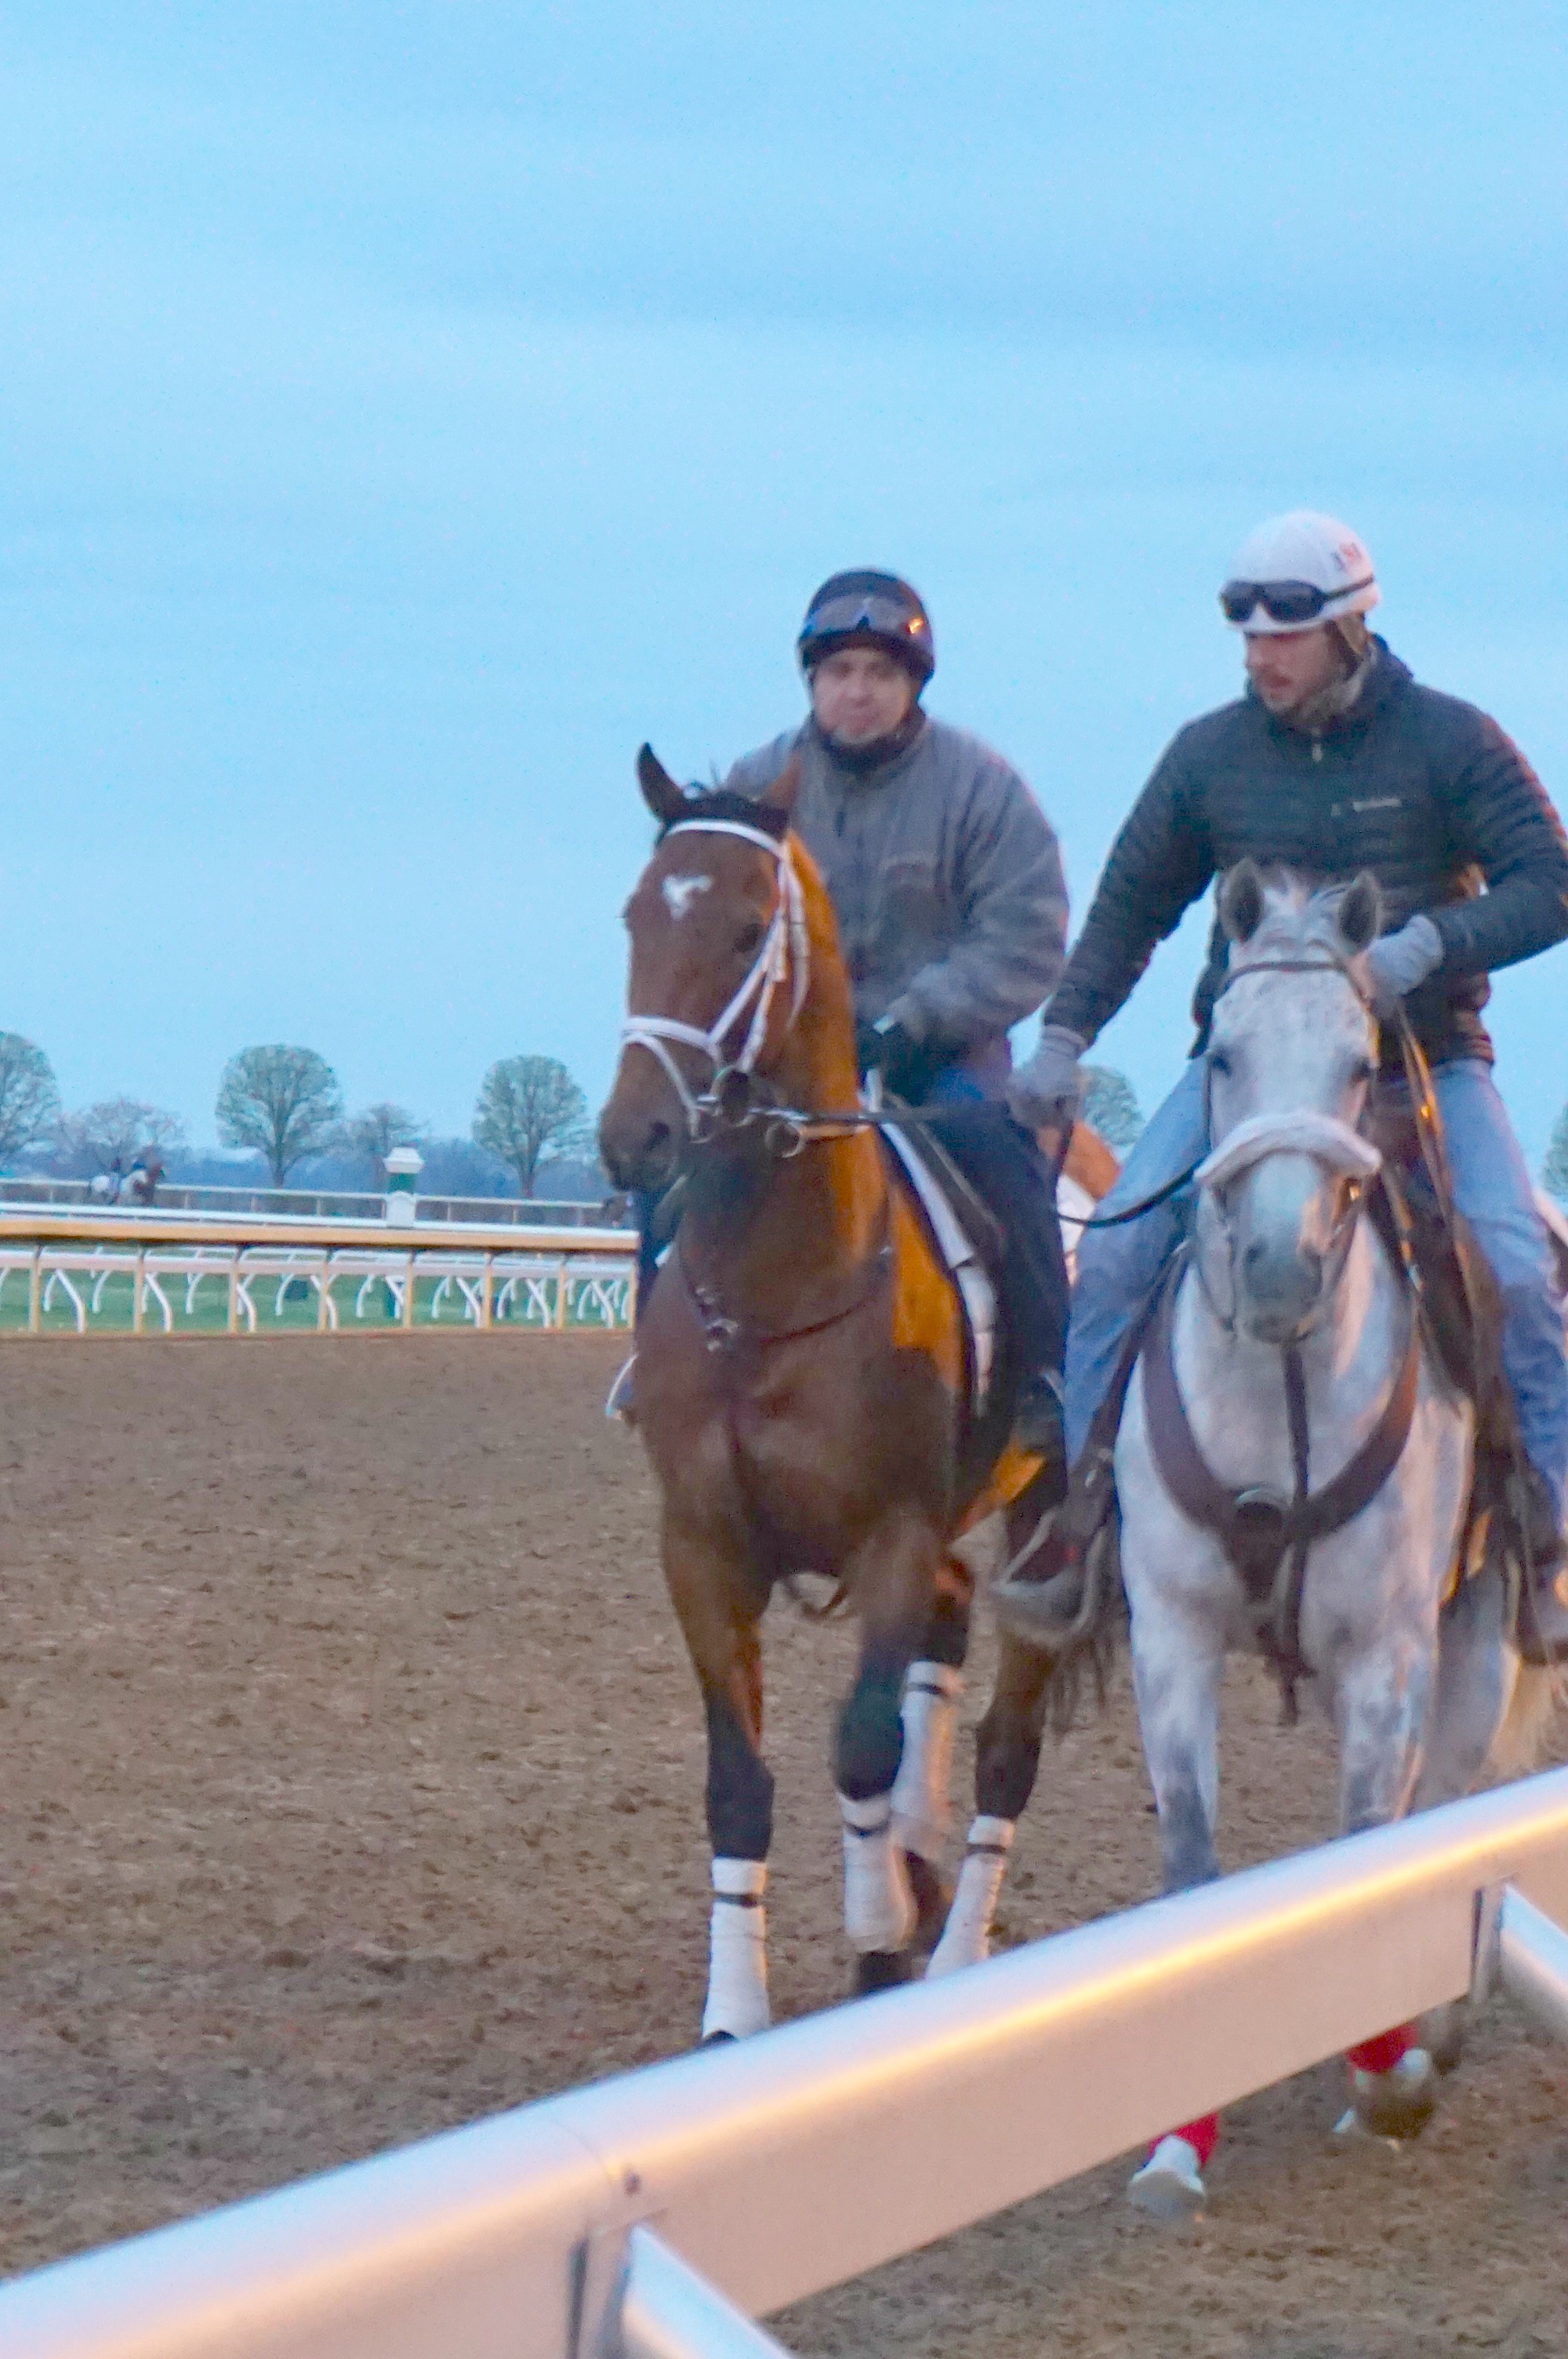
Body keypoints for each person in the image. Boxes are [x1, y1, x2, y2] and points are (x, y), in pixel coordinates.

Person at [1006, 510, 1568, 1659]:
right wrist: (1065, 1034)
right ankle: (1082, 1523)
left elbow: (1551, 880)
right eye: (1250, 636)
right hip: (1250, 1074)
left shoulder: (1452, 742)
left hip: (1424, 1064)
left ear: (1352, 629)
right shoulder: (1208, 755)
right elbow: (1128, 911)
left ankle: (1551, 1531)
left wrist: (1430, 946)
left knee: (1513, 1259)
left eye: (1289, 635)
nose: (1263, 656)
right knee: (1113, 1248)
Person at [613, 569, 1072, 1455]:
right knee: (670, 1159)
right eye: (838, 673)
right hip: (780, 1066)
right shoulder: (756, 787)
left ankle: (1045, 1381)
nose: (856, 690)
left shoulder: (981, 788)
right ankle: (655, 1357)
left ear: (911, 684)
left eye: (878, 672)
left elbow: (1026, 934)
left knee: (999, 1155)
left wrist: (914, 1020)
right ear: (812, 682)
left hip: (937, 1060)